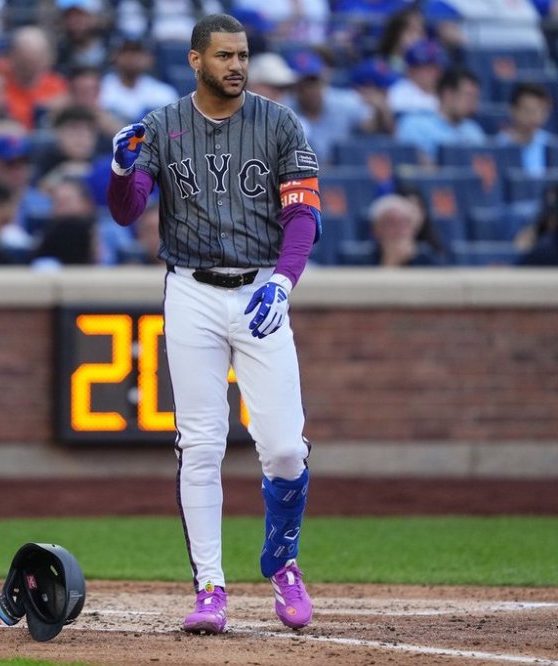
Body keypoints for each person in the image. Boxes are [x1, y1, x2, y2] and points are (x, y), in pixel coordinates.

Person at [106, 14, 319, 635]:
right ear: (196, 59)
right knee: (200, 444)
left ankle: (281, 561)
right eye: (223, 55)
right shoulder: (163, 126)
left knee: (282, 446)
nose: (236, 65)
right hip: (192, 290)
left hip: (259, 286)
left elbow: (304, 216)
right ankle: (209, 587)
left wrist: (283, 280)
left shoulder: (279, 123)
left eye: (243, 55)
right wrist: (121, 171)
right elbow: (127, 213)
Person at [286, 50, 373, 165]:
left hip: (341, 174)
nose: (310, 90)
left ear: (323, 81)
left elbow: (371, 125)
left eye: (314, 82)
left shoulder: (344, 102)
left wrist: (379, 107)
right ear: (294, 87)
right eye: (304, 84)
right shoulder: (284, 111)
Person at [395, 66, 486, 164]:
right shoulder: (415, 125)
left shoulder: (474, 130)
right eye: (468, 96)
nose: (473, 103)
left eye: (476, 98)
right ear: (448, 94)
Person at [0, 26, 69, 130]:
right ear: (12, 56)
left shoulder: (58, 86)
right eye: (25, 61)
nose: (30, 67)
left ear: (47, 59)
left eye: (35, 60)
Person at [98, 37, 180, 125]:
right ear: (114, 57)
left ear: (149, 59)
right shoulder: (99, 87)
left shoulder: (164, 92)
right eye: (126, 52)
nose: (132, 58)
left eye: (139, 53)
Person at [495, 81, 558, 175]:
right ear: (513, 110)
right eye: (527, 110)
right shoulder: (499, 145)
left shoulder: (551, 145)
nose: (532, 116)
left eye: (537, 111)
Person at [366, 193, 441, 267]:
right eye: (391, 223)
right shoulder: (363, 261)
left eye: (404, 223)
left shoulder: (427, 258)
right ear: (376, 229)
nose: (399, 230)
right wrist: (391, 262)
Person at [387, 39, 447, 116]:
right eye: (429, 68)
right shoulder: (399, 93)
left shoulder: (444, 94)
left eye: (438, 68)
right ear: (411, 71)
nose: (436, 73)